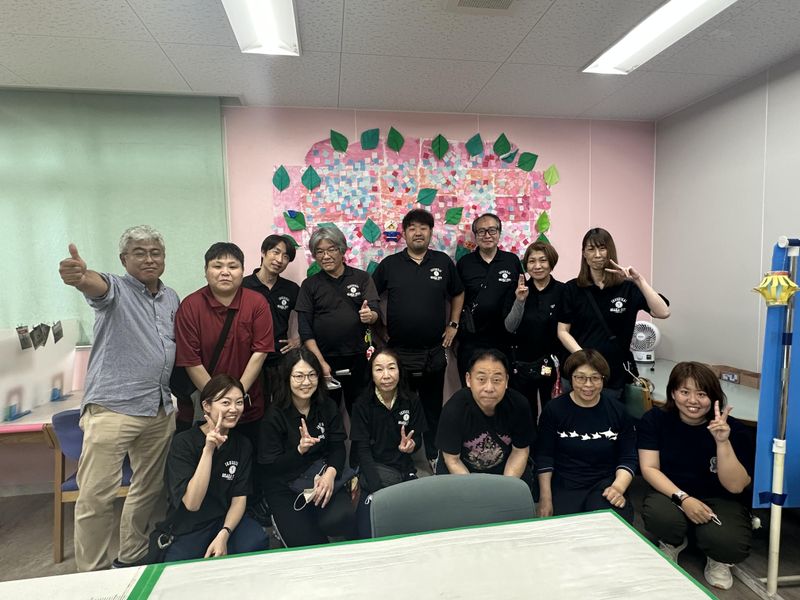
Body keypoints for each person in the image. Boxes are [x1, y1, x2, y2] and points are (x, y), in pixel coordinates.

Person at [58, 225, 178, 571]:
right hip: (113, 408)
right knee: (96, 495)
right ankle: (92, 574)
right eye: (139, 252)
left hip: (158, 408)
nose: (149, 259)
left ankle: (132, 556)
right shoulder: (116, 289)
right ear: (124, 259)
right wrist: (81, 277)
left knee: (148, 489)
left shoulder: (171, 297)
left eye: (155, 252)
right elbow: (95, 286)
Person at [638, 362, 754, 590]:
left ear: (713, 397)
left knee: (729, 544)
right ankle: (673, 541)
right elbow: (649, 468)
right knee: (660, 516)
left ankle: (716, 556)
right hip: (672, 493)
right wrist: (684, 499)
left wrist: (722, 442)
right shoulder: (655, 419)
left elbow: (736, 486)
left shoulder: (733, 430)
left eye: (701, 394)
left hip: (719, 498)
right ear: (673, 393)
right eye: (684, 392)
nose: (692, 400)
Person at [373, 209, 465, 467]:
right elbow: (371, 296)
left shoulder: (442, 262)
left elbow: (458, 293)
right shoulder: (390, 264)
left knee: (433, 408)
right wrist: (379, 328)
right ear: (404, 233)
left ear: (430, 232)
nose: (418, 232)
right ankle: (399, 459)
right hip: (398, 353)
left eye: (423, 228)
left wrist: (453, 324)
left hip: (432, 352)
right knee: (398, 408)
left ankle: (434, 457)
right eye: (412, 228)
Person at [174, 242, 274, 443]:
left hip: (248, 404)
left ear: (243, 271)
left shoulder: (257, 303)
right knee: (207, 455)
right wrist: (218, 401)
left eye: (233, 266)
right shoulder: (190, 306)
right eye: (217, 266)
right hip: (206, 406)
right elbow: (191, 360)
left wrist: (235, 400)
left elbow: (260, 353)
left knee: (248, 455)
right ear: (206, 271)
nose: (225, 272)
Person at [161, 375, 268, 562]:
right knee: (180, 567)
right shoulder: (183, 443)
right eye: (225, 402)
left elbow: (239, 499)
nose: (234, 409)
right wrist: (208, 450)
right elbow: (192, 503)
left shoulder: (242, 444)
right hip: (190, 526)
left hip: (224, 520)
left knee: (255, 541)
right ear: (206, 406)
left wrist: (224, 533)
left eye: (239, 402)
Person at [258, 348, 357, 547]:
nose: (306, 382)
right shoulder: (273, 416)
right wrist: (299, 451)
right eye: (299, 376)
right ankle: (282, 523)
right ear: (287, 378)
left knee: (341, 518)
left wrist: (330, 474)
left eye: (312, 375)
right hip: (284, 485)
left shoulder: (327, 406)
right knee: (308, 547)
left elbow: (338, 447)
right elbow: (271, 467)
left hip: (319, 473)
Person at [557, 228, 670, 401]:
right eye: (591, 249)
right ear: (584, 254)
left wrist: (639, 280)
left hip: (614, 374)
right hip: (579, 371)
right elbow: (562, 331)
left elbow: (663, 312)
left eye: (602, 248)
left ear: (610, 251)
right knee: (574, 416)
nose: (597, 255)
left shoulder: (627, 288)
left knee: (611, 415)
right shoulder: (571, 289)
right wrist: (585, 358)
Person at [536, 349, 637, 523]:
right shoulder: (554, 410)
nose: (588, 385)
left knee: (607, 526)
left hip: (605, 483)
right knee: (565, 530)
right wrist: (545, 498)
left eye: (595, 378)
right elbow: (544, 456)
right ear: (571, 378)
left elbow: (628, 456)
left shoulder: (618, 411)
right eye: (580, 377)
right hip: (565, 483)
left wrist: (618, 488)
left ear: (603, 379)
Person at [295, 226, 380, 417]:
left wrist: (370, 315)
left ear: (342, 250)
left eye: (331, 249)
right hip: (324, 359)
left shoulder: (362, 278)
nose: (325, 256)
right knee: (325, 415)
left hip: (359, 358)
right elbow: (305, 329)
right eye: (319, 251)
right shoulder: (310, 285)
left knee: (362, 413)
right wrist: (320, 362)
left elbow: (376, 312)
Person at [350, 348, 427, 536]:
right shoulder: (362, 404)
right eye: (379, 369)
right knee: (367, 530)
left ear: (400, 371)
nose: (386, 375)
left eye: (391, 368)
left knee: (414, 523)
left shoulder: (411, 400)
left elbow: (417, 438)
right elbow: (362, 451)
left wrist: (411, 446)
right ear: (371, 374)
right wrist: (377, 489)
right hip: (373, 470)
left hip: (403, 468)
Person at [435, 349, 534, 486]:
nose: (489, 388)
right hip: (463, 472)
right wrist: (476, 493)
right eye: (481, 379)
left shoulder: (518, 405)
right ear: (468, 379)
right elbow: (452, 460)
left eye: (497, 380)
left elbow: (520, 451)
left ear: (506, 381)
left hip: (504, 470)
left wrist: (506, 488)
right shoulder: (454, 409)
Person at [456, 213, 523, 381]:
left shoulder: (512, 261)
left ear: (499, 233)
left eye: (492, 230)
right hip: (471, 340)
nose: (487, 235)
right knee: (471, 388)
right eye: (481, 231)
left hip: (504, 340)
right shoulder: (465, 263)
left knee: (502, 388)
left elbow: (521, 296)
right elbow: (456, 298)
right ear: (475, 235)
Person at [504, 241, 565, 421]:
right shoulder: (517, 290)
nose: (537, 266)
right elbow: (510, 326)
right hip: (522, 364)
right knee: (525, 413)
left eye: (543, 260)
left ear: (551, 262)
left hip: (552, 364)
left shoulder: (563, 291)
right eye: (532, 261)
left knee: (551, 411)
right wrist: (520, 300)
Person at [242, 233, 301, 401]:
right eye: (275, 252)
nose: (279, 260)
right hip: (249, 359)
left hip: (280, 360)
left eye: (286, 257)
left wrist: (299, 339)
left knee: (281, 405)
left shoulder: (291, 289)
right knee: (252, 405)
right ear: (263, 252)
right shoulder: (243, 286)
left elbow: (308, 316)